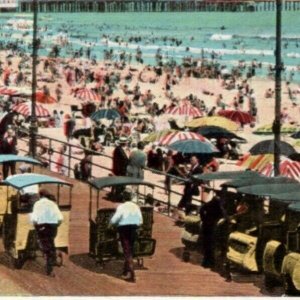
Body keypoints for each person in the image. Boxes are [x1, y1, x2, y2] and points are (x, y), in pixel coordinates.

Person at [110, 189, 143, 282]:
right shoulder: (136, 206)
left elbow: (114, 220)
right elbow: (141, 221)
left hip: (124, 229)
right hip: (134, 228)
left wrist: (112, 225)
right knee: (130, 249)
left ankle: (131, 272)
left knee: (126, 249)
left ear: (124, 197)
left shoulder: (122, 207)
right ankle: (126, 270)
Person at [31, 189, 63, 276]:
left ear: (40, 196)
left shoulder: (37, 204)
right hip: (52, 228)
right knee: (51, 243)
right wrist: (55, 225)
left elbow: (34, 219)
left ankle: (49, 269)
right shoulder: (53, 204)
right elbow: (60, 218)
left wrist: (37, 227)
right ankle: (53, 258)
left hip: (42, 228)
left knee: (46, 246)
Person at [199, 187, 224, 268]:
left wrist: (203, 218)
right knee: (211, 244)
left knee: (206, 244)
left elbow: (201, 209)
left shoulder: (210, 202)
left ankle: (206, 261)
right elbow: (222, 214)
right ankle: (211, 262)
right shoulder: (218, 203)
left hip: (206, 224)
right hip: (212, 225)